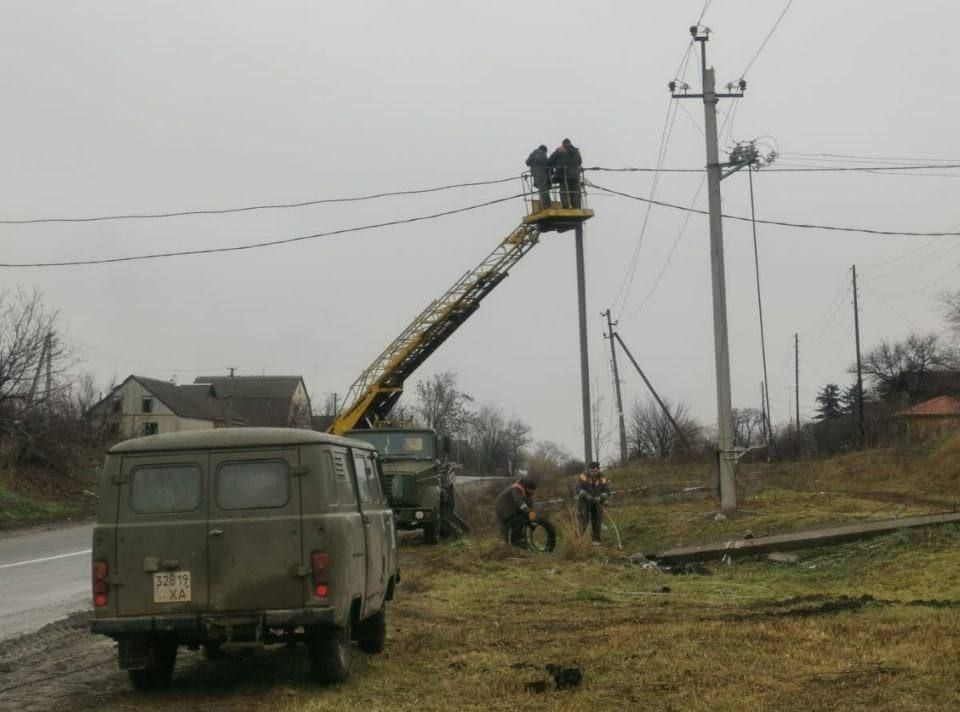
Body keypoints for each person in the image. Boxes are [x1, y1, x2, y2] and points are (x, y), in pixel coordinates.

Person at [495, 477, 538, 547]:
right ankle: (516, 541)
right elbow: (520, 502)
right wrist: (528, 512)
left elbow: (529, 503)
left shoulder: (527, 492)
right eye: (532, 490)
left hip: (512, 506)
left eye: (534, 490)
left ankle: (517, 539)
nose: (533, 492)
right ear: (527, 488)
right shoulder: (516, 489)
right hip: (504, 506)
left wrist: (531, 513)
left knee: (523, 517)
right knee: (514, 521)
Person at [576, 461, 610, 544]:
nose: (593, 473)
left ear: (598, 470)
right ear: (589, 470)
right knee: (584, 521)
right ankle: (578, 540)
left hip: (597, 502)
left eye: (595, 471)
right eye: (591, 471)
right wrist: (585, 494)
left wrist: (602, 497)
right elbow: (578, 488)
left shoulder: (603, 479)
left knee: (597, 520)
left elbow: (607, 491)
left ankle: (596, 540)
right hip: (585, 501)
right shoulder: (583, 476)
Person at [548, 138, 583, 209]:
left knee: (565, 193)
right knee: (575, 193)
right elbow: (579, 162)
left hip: (563, 176)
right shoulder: (576, 151)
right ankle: (577, 208)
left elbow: (550, 160)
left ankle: (566, 208)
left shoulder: (560, 150)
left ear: (563, 144)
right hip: (575, 176)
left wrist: (553, 169)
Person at [525, 144, 552, 210]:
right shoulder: (542, 153)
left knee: (542, 191)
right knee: (544, 192)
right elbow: (547, 164)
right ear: (545, 150)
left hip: (536, 176)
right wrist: (552, 172)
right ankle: (547, 207)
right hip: (542, 176)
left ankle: (543, 205)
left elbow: (527, 162)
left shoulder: (532, 154)